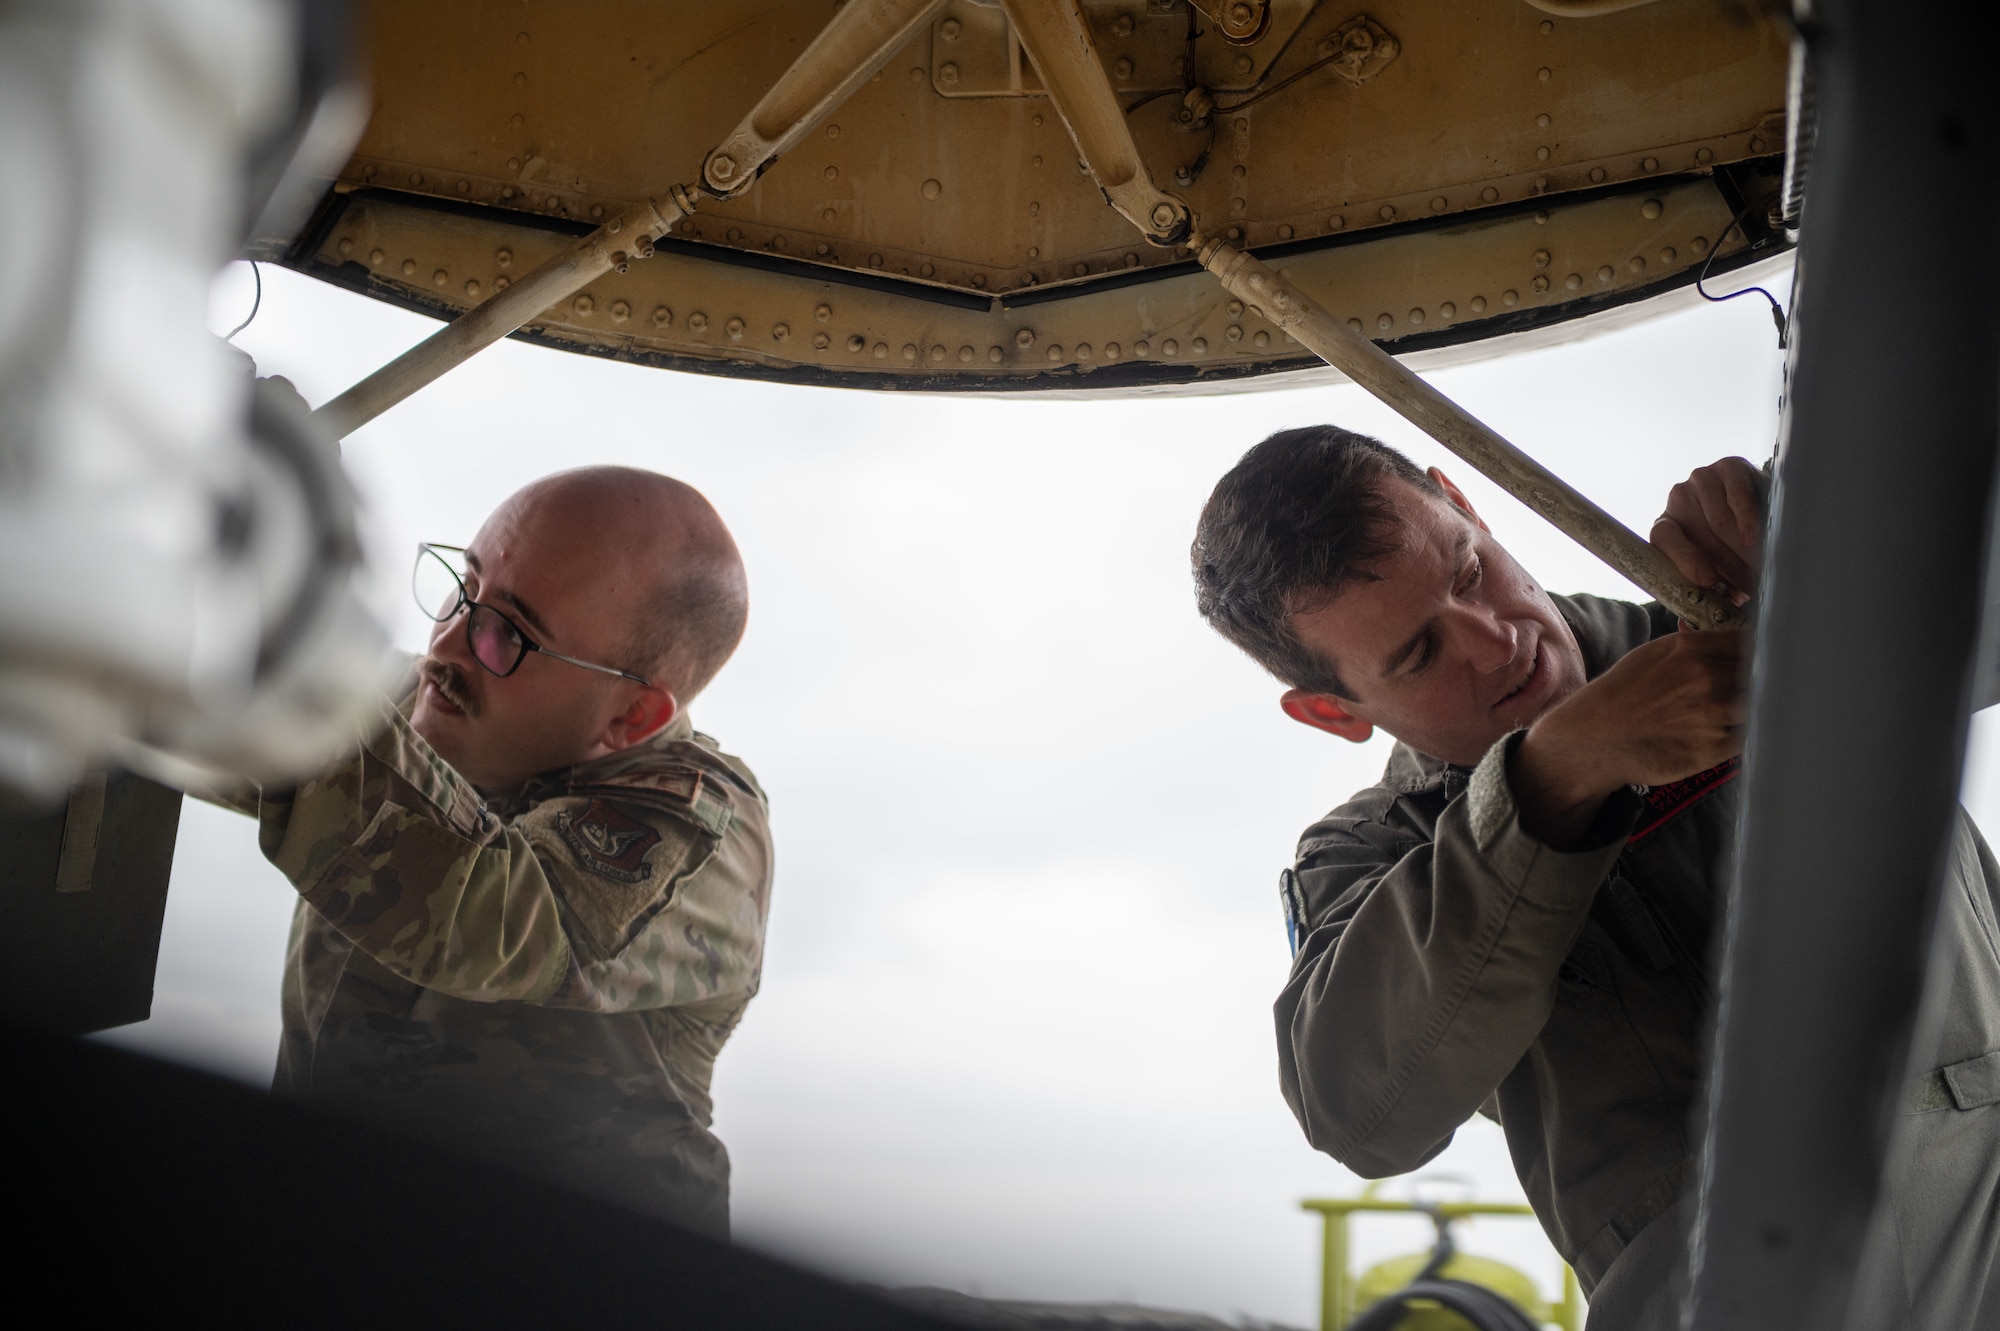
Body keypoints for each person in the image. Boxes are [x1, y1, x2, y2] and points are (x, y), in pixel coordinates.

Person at [1189, 427, 2000, 1328]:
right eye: (1420, 655)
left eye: (1469, 572)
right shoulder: (1368, 859)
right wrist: (1558, 773)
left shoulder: (1753, 613)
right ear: (1333, 713)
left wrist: (1837, 531)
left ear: (1467, 504)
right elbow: (1359, 1112)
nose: (1497, 644)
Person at [242, 465, 771, 1238]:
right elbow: (188, 698)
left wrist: (284, 631)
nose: (449, 644)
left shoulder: (702, 834)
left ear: (634, 712)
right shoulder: (435, 696)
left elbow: (481, 909)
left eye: (511, 634)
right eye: (465, 588)